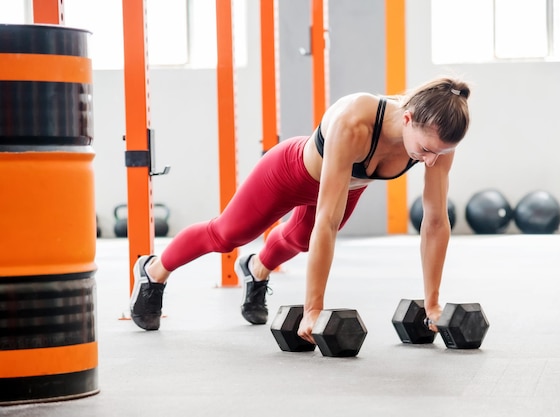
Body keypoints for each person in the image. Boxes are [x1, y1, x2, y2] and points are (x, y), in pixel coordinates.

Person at [129, 76, 471, 345]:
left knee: (302, 240)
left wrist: (434, 303)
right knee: (229, 235)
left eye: (438, 153)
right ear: (408, 118)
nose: (430, 160)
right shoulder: (356, 120)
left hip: (344, 186)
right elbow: (327, 219)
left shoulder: (440, 142)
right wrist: (313, 311)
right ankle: (153, 271)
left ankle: (257, 268)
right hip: (289, 173)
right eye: (425, 150)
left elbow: (436, 220)